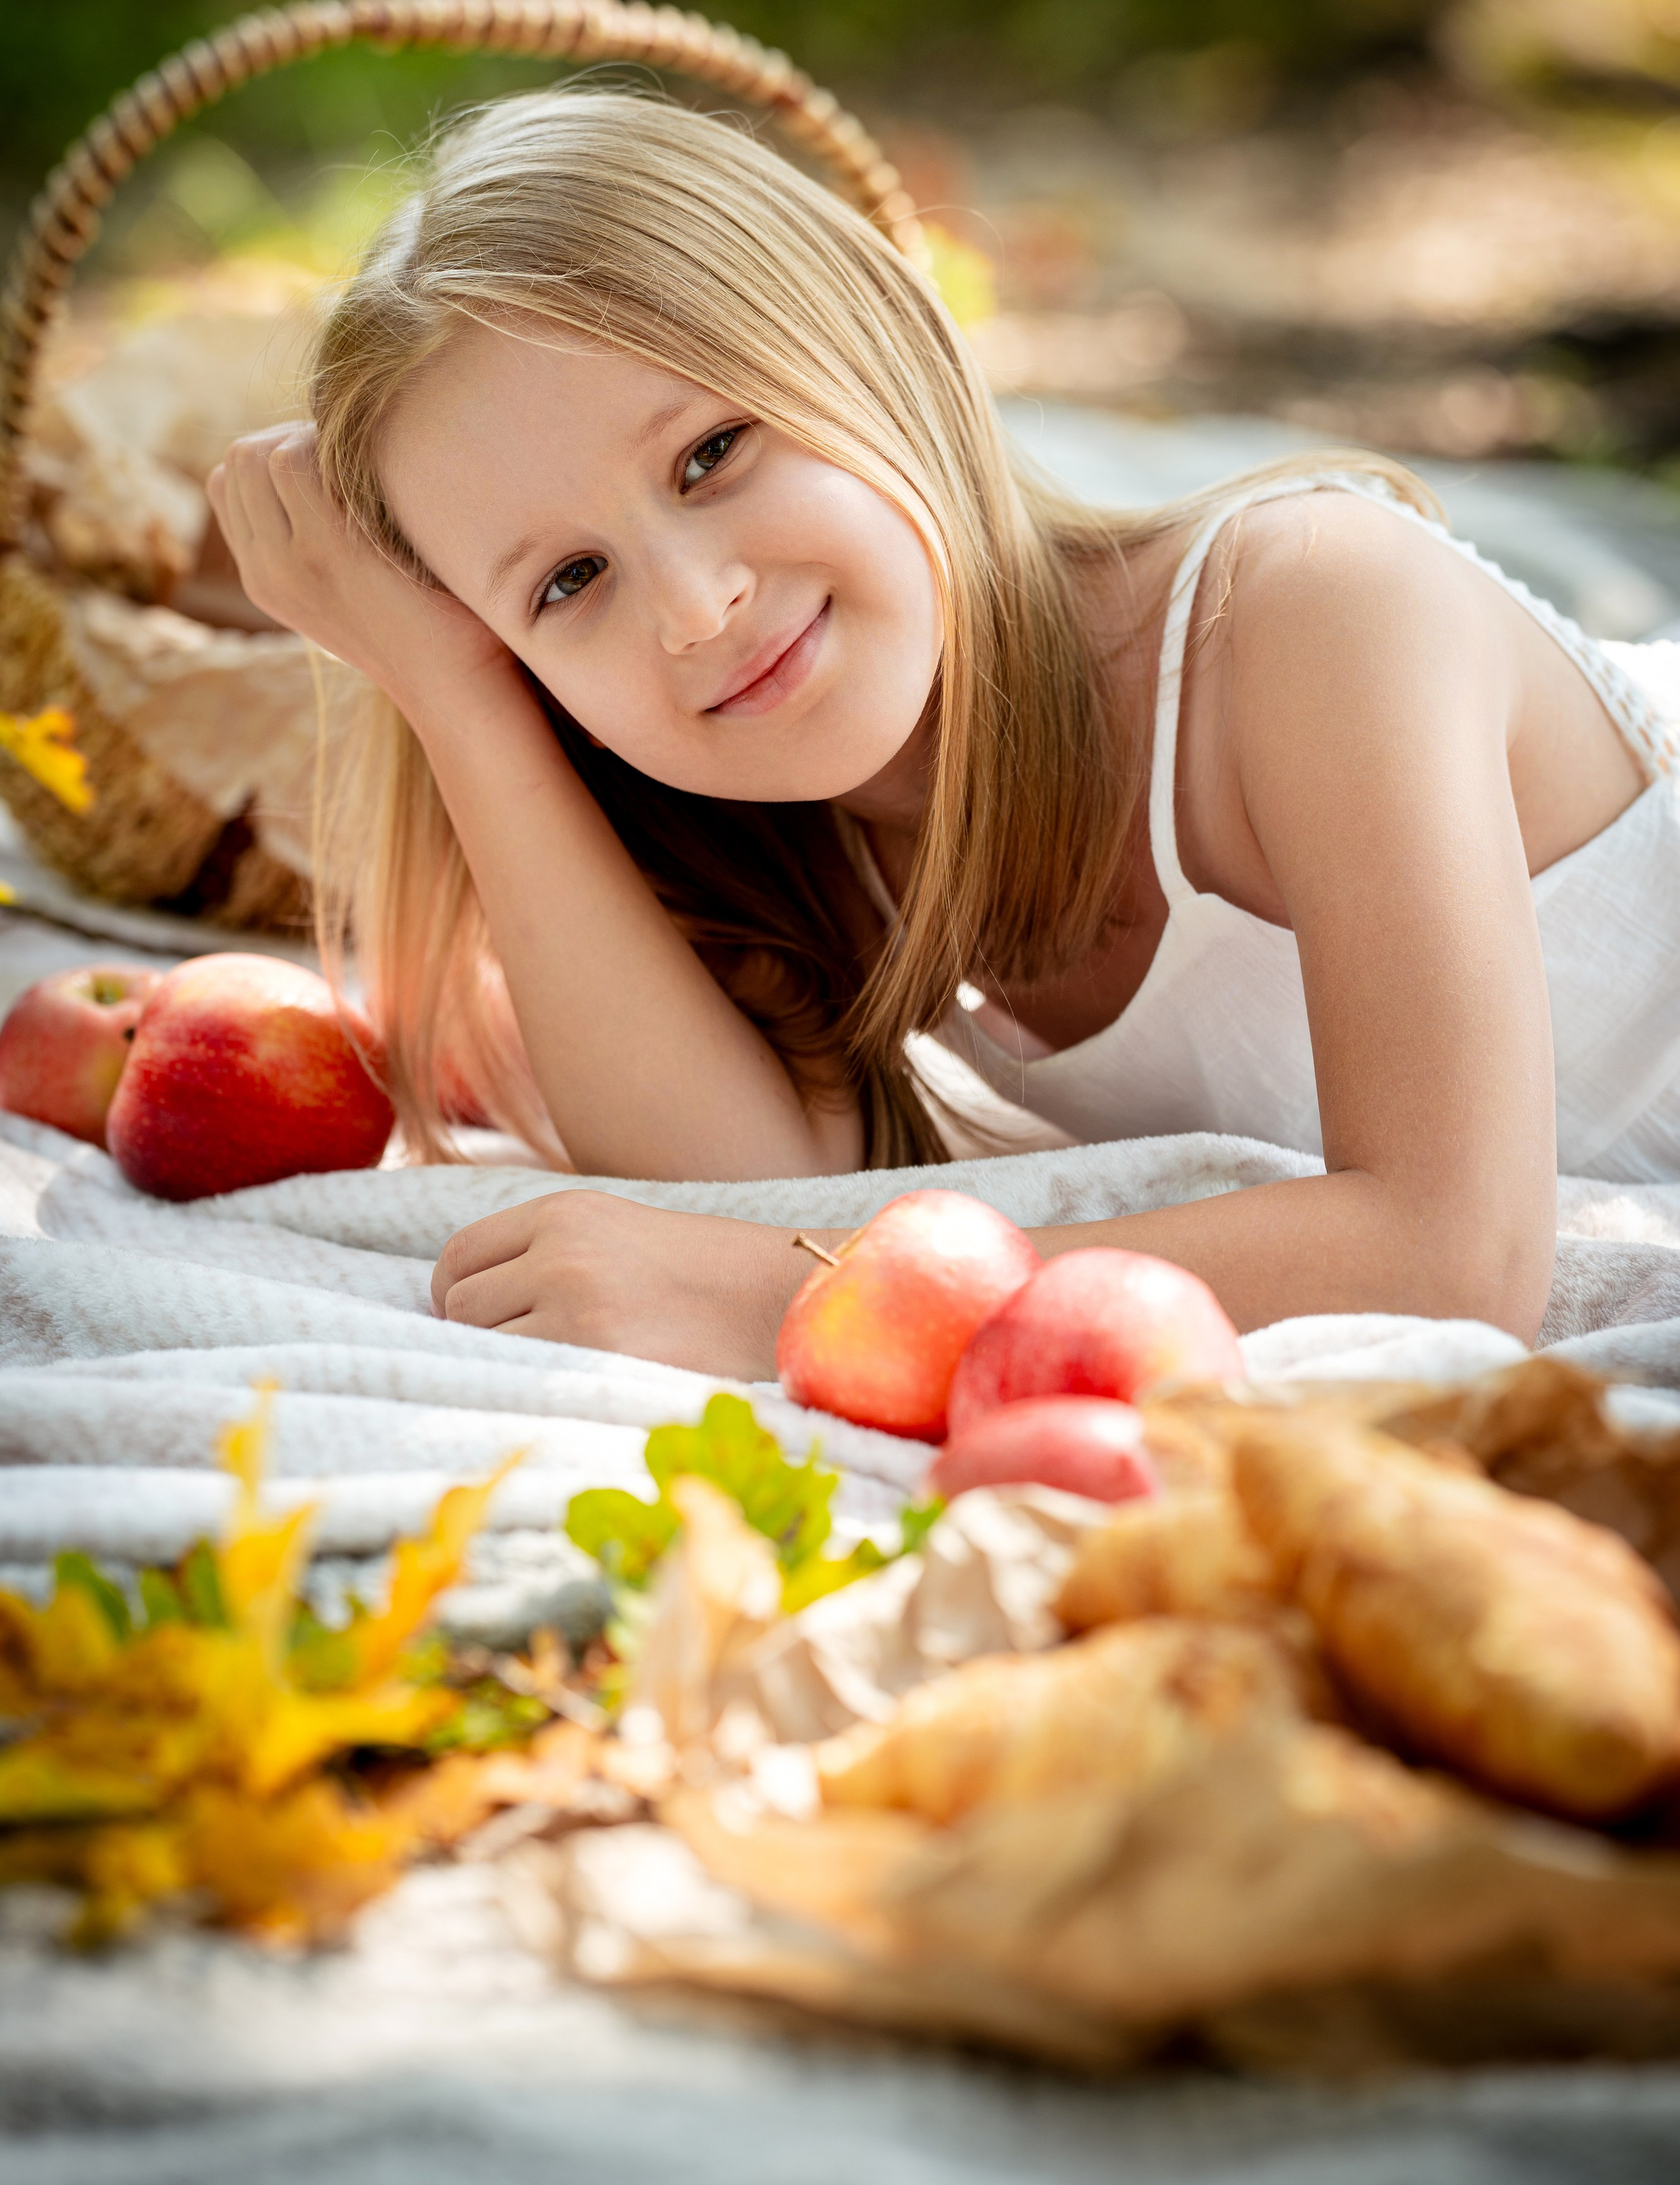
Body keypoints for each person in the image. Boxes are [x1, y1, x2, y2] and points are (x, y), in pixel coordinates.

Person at [208, 90, 1680, 1379]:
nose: (694, 607)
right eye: (566, 584)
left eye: (711, 453)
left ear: (875, 343)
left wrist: (791, 1298)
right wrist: (454, 693)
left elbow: (1452, 1258)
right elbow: (731, 1180)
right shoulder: (823, 820)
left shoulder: (1303, 617)